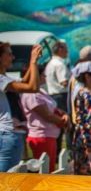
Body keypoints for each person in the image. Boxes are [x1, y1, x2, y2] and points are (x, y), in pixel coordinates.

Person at [0, 43, 41, 172]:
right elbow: (32, 87)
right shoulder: (1, 79)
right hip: (7, 134)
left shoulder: (5, 79)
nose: (13, 57)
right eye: (9, 54)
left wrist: (32, 60)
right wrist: (33, 62)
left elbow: (24, 81)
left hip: (8, 134)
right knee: (6, 181)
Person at [21, 65, 68, 172]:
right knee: (45, 170)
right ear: (35, 76)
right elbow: (47, 115)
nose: (45, 76)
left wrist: (64, 115)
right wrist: (63, 122)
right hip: (41, 137)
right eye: (42, 74)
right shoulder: (31, 94)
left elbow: (53, 108)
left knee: (49, 168)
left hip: (49, 136)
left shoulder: (40, 91)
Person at [45, 40, 70, 157]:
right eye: (65, 49)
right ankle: (68, 153)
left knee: (57, 126)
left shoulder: (50, 63)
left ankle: (56, 152)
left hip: (52, 95)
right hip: (61, 96)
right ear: (60, 49)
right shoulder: (59, 64)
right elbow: (64, 82)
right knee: (66, 124)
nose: (67, 51)